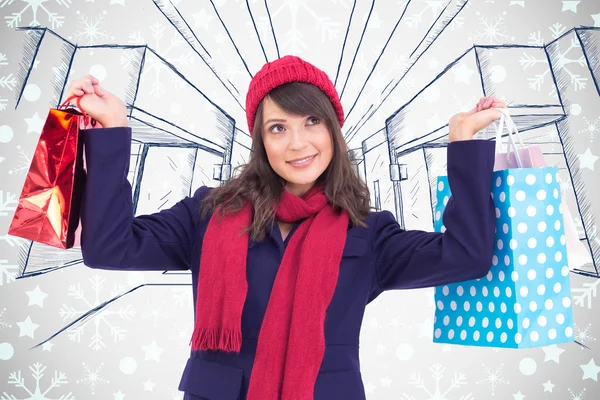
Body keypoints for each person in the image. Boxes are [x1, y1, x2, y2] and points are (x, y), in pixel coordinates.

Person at [69, 55, 506, 400]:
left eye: (312, 122)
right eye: (279, 128)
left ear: (333, 130)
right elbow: (109, 247)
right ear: (261, 141)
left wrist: (463, 145)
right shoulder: (207, 213)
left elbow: (466, 255)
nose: (298, 143)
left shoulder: (368, 233)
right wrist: (113, 131)